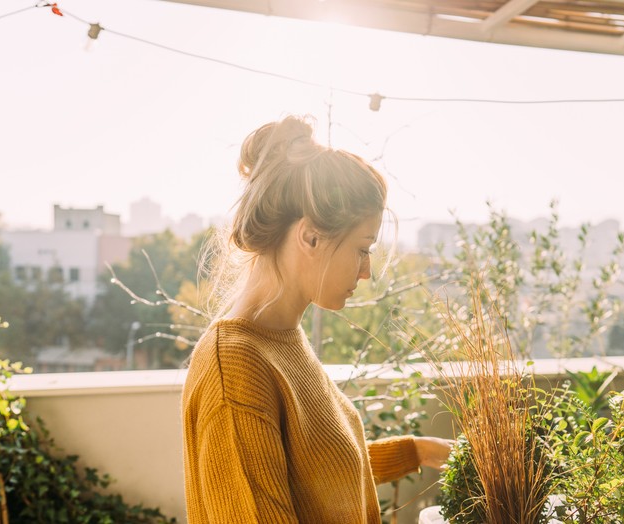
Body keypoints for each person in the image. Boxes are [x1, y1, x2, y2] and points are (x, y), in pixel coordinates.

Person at [182, 115, 452, 523]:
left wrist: (416, 451)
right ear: (310, 237)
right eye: (362, 249)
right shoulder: (236, 368)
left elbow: (314, 470)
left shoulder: (279, 339)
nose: (366, 271)